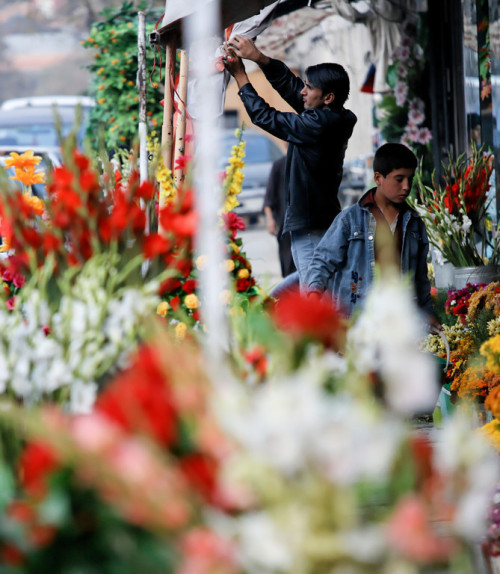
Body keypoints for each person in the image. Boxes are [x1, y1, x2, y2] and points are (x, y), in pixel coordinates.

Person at [223, 35, 357, 286]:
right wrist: (259, 58)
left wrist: (242, 77)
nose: (302, 91)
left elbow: (266, 117)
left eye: (309, 87)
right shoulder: (334, 116)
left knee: (315, 292)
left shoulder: (318, 124)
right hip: (318, 218)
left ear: (327, 97)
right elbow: (291, 87)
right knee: (319, 287)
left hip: (309, 223)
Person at [305, 142, 441, 330]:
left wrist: (427, 313)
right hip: (355, 322)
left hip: (399, 324)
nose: (406, 186)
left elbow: (420, 279)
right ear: (378, 178)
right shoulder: (349, 219)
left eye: (410, 179)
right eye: (399, 179)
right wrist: (313, 296)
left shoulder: (415, 223)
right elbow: (322, 261)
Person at [263, 155, 296, 278]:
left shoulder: (308, 161)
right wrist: (269, 219)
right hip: (285, 224)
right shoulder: (279, 164)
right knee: (288, 264)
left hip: (305, 224)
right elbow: (269, 197)